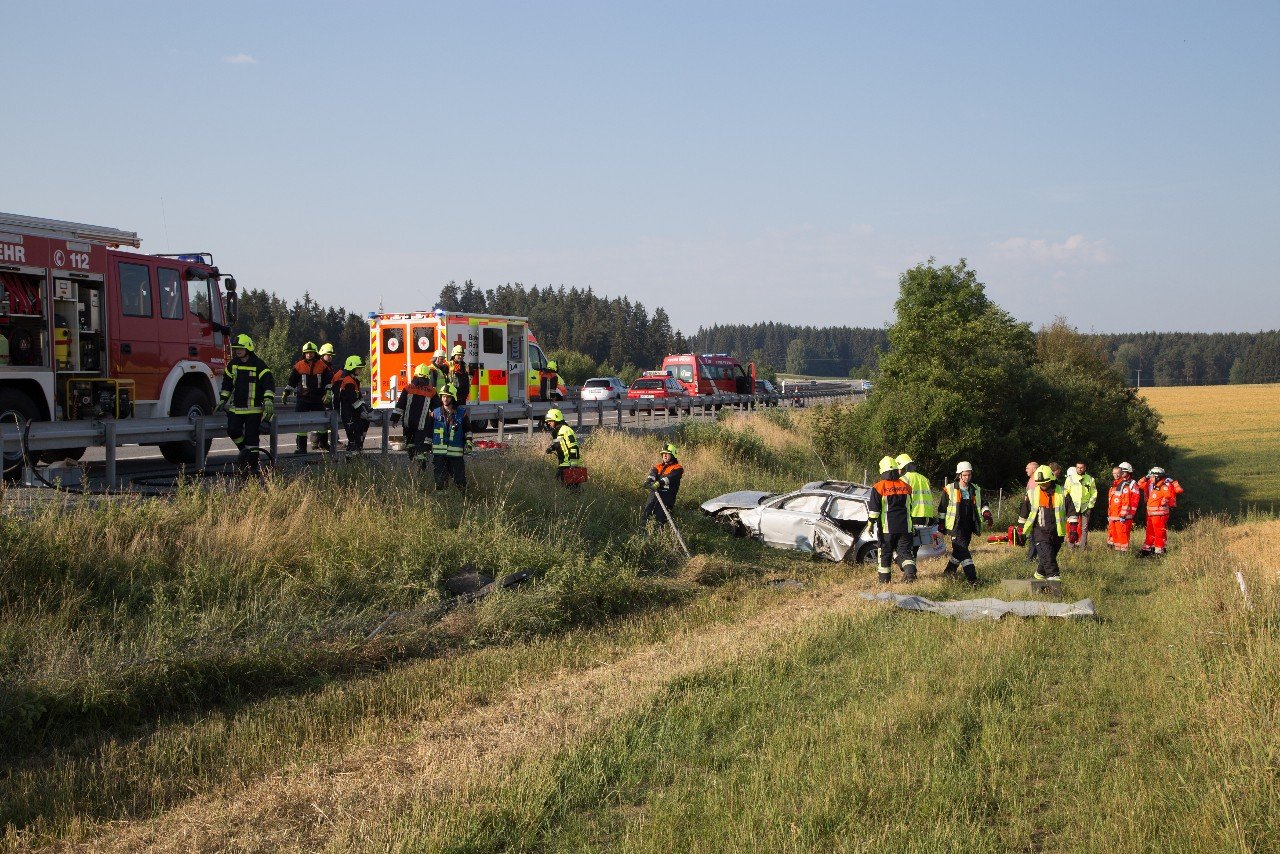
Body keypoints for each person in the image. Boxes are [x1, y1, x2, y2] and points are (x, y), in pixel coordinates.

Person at [218, 333, 275, 474]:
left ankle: (253, 467)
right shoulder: (233, 365)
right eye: (236, 348)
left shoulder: (258, 364)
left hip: (253, 410)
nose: (238, 350)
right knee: (233, 430)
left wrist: (268, 399)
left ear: (248, 348)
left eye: (240, 348)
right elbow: (227, 383)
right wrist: (223, 399)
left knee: (252, 439)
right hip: (236, 408)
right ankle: (244, 453)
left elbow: (268, 383)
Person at [936, 461, 992, 584]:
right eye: (965, 475)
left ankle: (949, 572)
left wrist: (987, 514)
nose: (967, 477)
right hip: (955, 526)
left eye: (969, 475)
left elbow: (983, 504)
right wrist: (940, 527)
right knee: (964, 551)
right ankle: (972, 578)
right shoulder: (949, 489)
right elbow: (942, 509)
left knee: (959, 551)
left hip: (969, 525)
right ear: (959, 475)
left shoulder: (975, 489)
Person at [1018, 464, 1073, 581]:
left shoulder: (1063, 493)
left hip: (1058, 533)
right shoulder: (1032, 494)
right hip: (1040, 533)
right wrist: (1020, 531)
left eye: (1045, 483)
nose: (1042, 485)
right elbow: (1023, 514)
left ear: (1051, 480)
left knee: (1048, 557)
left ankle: (1039, 576)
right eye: (1040, 483)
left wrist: (1073, 529)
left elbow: (1071, 512)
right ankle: (1054, 583)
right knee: (1049, 560)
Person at [868, 455, 916, 583]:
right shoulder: (906, 487)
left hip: (887, 528)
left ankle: (884, 583)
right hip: (906, 527)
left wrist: (870, 524)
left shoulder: (878, 487)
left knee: (885, 555)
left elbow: (874, 511)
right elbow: (910, 506)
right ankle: (910, 572)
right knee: (905, 553)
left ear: (882, 471)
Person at [285, 341, 334, 454]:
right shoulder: (299, 365)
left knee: (322, 423)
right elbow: (292, 381)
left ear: (315, 353)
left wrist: (328, 392)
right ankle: (301, 448)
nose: (309, 355)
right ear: (304, 353)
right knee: (301, 424)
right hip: (303, 398)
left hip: (318, 398)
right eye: (307, 353)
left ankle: (324, 443)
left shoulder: (322, 366)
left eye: (311, 353)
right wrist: (286, 392)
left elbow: (328, 381)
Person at [391, 363, 437, 469]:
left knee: (410, 445)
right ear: (427, 376)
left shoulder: (408, 388)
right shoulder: (432, 391)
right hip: (421, 425)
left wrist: (394, 419)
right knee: (420, 447)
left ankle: (413, 463)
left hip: (408, 423)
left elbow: (400, 405)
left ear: (415, 375)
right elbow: (437, 408)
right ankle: (421, 469)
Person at [1136, 466, 1184, 556]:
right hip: (1151, 513)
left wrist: (1173, 482)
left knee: (1159, 532)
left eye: (1152, 476)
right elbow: (1138, 484)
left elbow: (1173, 493)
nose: (1150, 478)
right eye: (1150, 476)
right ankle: (1147, 550)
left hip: (1160, 513)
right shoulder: (1152, 485)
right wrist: (1146, 477)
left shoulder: (1164, 485)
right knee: (1150, 531)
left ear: (1157, 477)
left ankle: (1159, 552)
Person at [331, 355, 375, 452]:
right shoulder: (348, 382)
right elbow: (353, 400)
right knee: (353, 440)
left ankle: (357, 457)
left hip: (353, 414)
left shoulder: (353, 381)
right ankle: (351, 460)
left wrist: (365, 408)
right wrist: (362, 410)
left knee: (358, 436)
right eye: (359, 368)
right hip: (349, 414)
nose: (361, 370)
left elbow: (358, 398)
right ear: (352, 368)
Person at [431, 383, 470, 491]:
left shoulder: (462, 413)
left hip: (456, 455)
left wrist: (469, 441)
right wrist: (426, 446)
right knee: (440, 481)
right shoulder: (435, 413)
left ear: (453, 397)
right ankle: (442, 503)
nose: (445, 399)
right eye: (443, 396)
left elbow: (468, 430)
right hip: (439, 454)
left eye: (448, 396)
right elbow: (429, 431)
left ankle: (465, 501)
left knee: (460, 480)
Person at [895, 453, 935, 557]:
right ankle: (912, 566)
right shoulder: (924, 479)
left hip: (911, 515)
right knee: (915, 545)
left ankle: (909, 569)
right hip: (925, 516)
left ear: (902, 467)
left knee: (907, 545)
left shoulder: (904, 479)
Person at [643, 443, 684, 527]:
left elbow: (669, 478)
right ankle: (643, 533)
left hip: (667, 496)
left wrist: (659, 483)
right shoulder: (658, 466)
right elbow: (652, 475)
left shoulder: (678, 468)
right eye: (663, 454)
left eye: (667, 454)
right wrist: (648, 481)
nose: (664, 456)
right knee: (646, 514)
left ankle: (659, 535)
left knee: (660, 518)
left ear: (673, 455)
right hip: (654, 494)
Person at [1107, 462, 1140, 552]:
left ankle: (1123, 552)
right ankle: (1115, 550)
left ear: (1128, 472)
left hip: (1125, 514)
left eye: (1123, 472)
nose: (1120, 474)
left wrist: (1129, 514)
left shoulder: (1132, 483)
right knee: (1114, 533)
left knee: (1123, 534)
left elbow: (1134, 501)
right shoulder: (1115, 484)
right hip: (1115, 513)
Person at [1064, 461, 1098, 548]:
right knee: (1072, 528)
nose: (1080, 469)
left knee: (1084, 529)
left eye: (1081, 467)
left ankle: (1082, 548)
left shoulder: (1090, 479)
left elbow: (1094, 493)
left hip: (1085, 507)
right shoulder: (1070, 478)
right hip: (1073, 507)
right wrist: (1067, 504)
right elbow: (1065, 492)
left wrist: (1090, 505)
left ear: (1085, 468)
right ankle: (1071, 548)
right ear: (1076, 468)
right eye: (1078, 467)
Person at [544, 408, 581, 486]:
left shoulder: (566, 430)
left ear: (556, 419)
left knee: (571, 488)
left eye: (550, 421)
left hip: (569, 464)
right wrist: (551, 448)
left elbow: (574, 447)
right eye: (548, 422)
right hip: (563, 463)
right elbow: (559, 443)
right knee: (563, 486)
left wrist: (573, 465)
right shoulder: (559, 430)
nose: (549, 423)